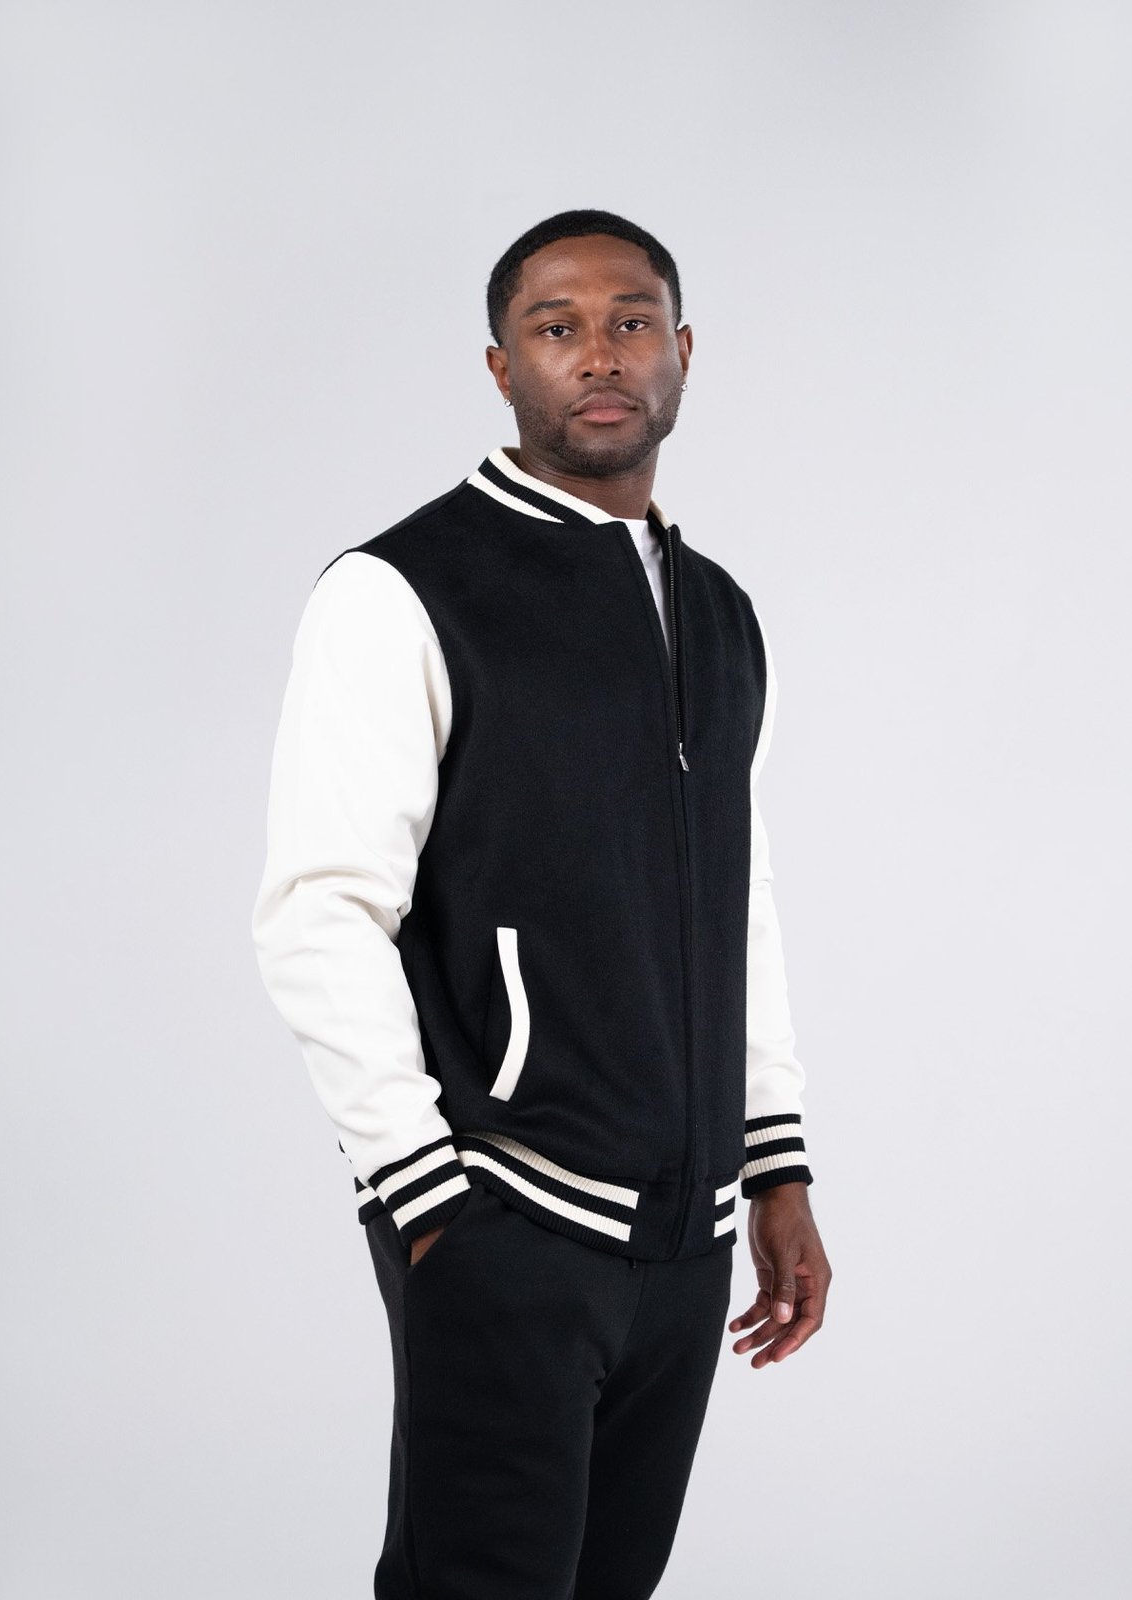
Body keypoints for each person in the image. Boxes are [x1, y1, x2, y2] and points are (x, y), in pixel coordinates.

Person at [251, 208, 832, 1600]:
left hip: (685, 1237)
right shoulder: (403, 590)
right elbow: (321, 909)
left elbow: (731, 895)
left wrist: (775, 1168)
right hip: (502, 1210)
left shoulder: (718, 611)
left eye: (631, 322)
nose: (599, 355)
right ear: (501, 366)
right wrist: (426, 1197)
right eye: (556, 328)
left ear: (682, 350)